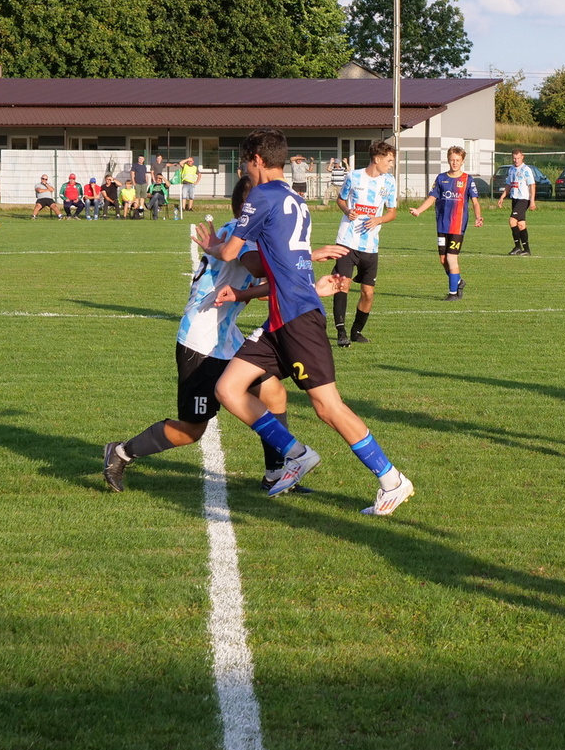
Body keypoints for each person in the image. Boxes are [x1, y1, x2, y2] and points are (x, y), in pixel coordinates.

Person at [199, 127, 415, 514]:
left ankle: (392, 480)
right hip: (281, 317)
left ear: (257, 160)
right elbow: (283, 261)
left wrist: (212, 245)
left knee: (327, 407)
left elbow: (231, 252)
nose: (244, 171)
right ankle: (297, 454)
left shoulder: (262, 195)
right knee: (228, 388)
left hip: (297, 318)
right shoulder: (296, 199)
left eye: (246, 164)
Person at [104, 176, 299, 494]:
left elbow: (262, 286)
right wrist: (301, 256)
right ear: (251, 208)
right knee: (191, 430)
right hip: (201, 341)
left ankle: (276, 474)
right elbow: (259, 268)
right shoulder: (238, 233)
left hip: (226, 337)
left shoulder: (250, 236)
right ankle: (121, 452)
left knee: (273, 392)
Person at [331, 140, 398, 347]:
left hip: (370, 245)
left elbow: (392, 212)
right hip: (347, 241)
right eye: (389, 160)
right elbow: (341, 199)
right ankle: (341, 332)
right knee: (343, 285)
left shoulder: (389, 182)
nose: (391, 164)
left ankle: (356, 331)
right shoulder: (354, 176)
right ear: (377, 159)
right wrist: (347, 210)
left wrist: (379, 219)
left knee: (368, 293)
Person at [409, 145, 483, 301]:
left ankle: (453, 293)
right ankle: (458, 281)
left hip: (457, 225)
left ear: (462, 161)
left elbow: (475, 202)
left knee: (451, 258)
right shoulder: (441, 178)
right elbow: (432, 198)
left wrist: (478, 217)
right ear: (448, 160)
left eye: (457, 160)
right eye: (452, 160)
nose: (454, 163)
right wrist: (419, 210)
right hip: (442, 225)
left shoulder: (468, 179)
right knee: (443, 260)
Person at [496, 149, 536, 255]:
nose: (516, 160)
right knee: (521, 224)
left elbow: (532, 185)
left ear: (522, 157)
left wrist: (532, 201)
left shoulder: (526, 169)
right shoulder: (511, 169)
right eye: (514, 158)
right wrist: (502, 197)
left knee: (512, 221)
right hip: (515, 198)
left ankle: (517, 247)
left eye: (518, 158)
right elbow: (509, 184)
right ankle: (526, 250)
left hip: (524, 199)